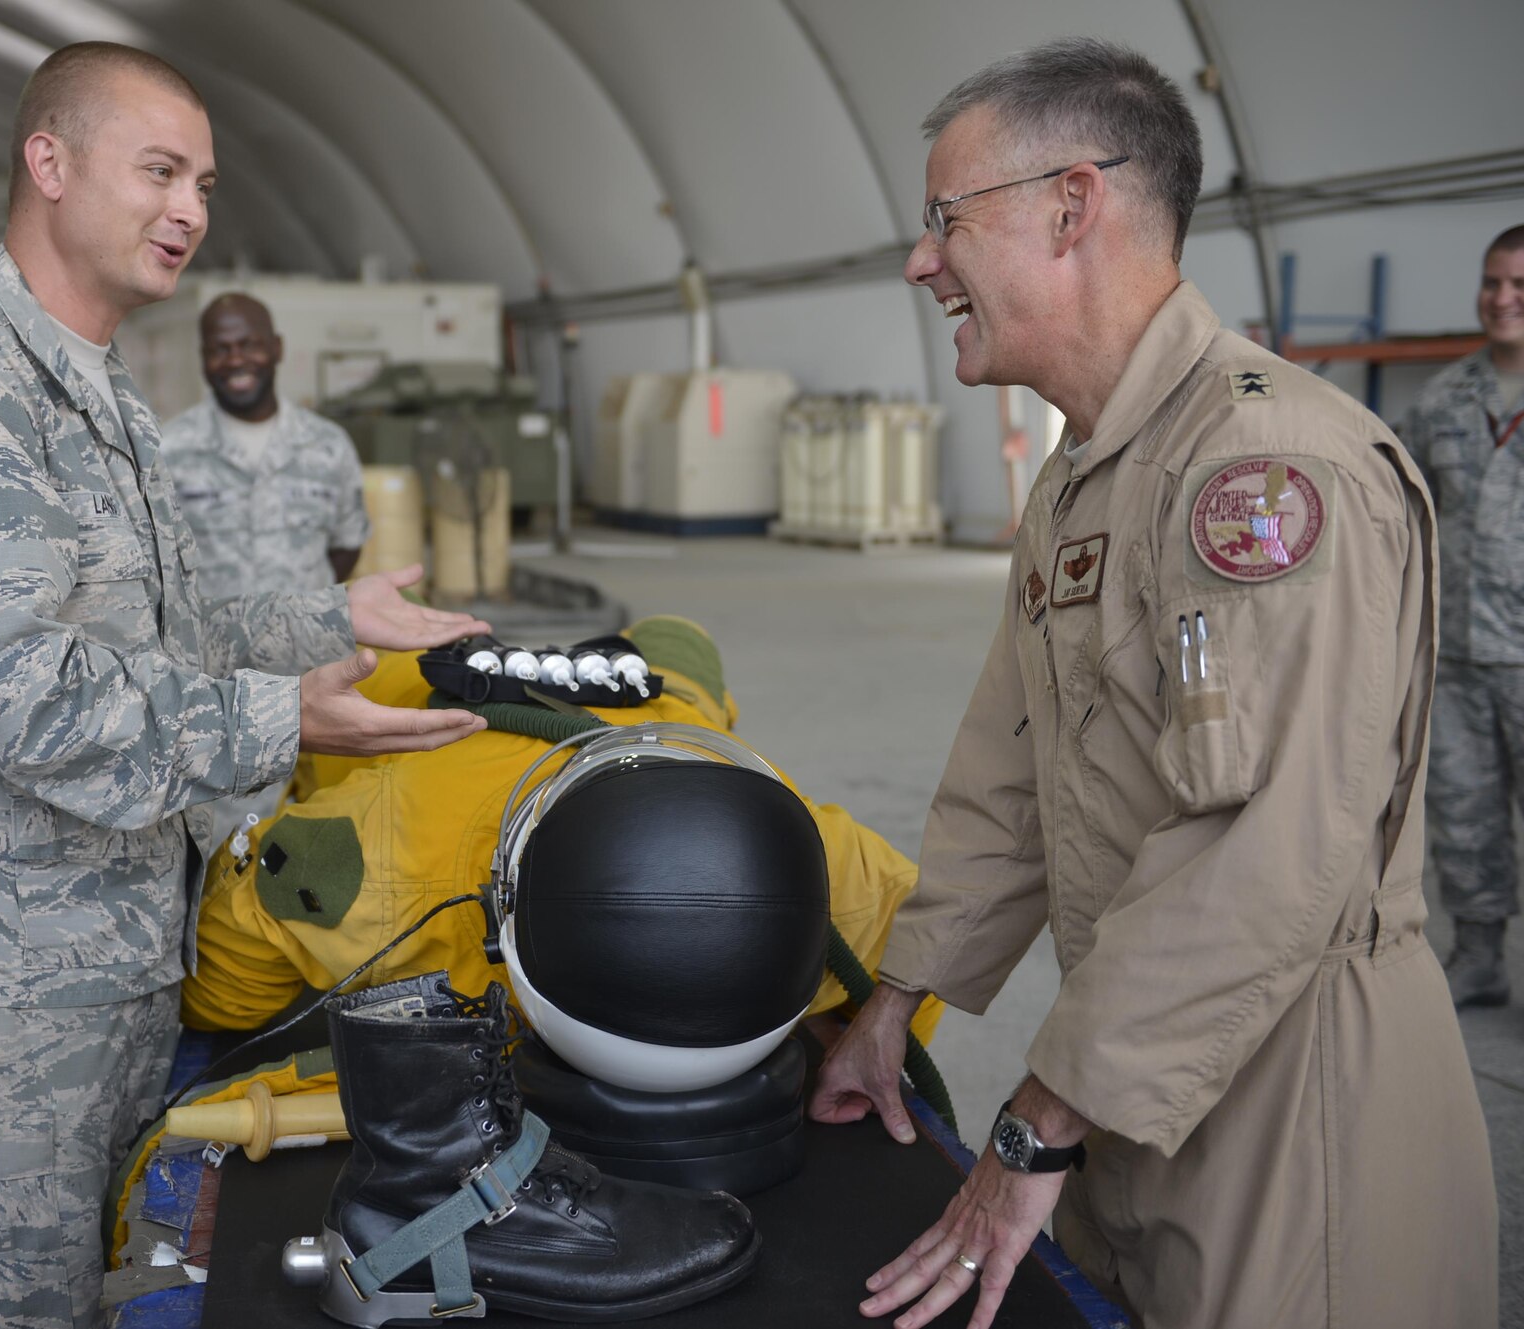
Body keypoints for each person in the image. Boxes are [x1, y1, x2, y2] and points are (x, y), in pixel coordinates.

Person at [0, 42, 487, 1329]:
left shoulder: (96, 389)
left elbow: (160, 631)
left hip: (104, 947)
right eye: (159, 171)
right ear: (48, 162)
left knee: (102, 1286)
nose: (190, 212)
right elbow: (25, 693)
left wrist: (332, 615)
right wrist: (287, 717)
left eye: (204, 184)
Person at [808, 39, 1495, 1329]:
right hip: (1119, 1073)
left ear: (1072, 206)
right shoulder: (1081, 480)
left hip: (1292, 1102)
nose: (918, 262)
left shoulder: (1267, 467)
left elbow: (1269, 851)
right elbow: (1009, 773)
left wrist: (1033, 1124)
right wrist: (894, 1004)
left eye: (942, 221)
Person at [178, 616, 943, 1049]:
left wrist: (846, 1048)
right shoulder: (367, 864)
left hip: (661, 713)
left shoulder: (819, 877)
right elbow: (218, 990)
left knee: (677, 647)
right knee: (381, 667)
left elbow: (926, 951)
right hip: (438, 717)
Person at [1401, 224, 1524, 1008]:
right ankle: (1478, 957)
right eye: (1492, 282)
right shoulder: (1445, 397)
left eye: (1520, 286)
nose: (1502, 299)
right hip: (1459, 652)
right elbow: (1409, 517)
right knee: (1463, 809)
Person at [158, 294, 370, 601]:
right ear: (203, 358)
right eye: (220, 349)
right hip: (212, 647)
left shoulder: (328, 444)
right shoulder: (169, 450)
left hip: (311, 646)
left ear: (277, 348)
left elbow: (348, 544)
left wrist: (305, 607)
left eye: (250, 345)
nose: (235, 360)